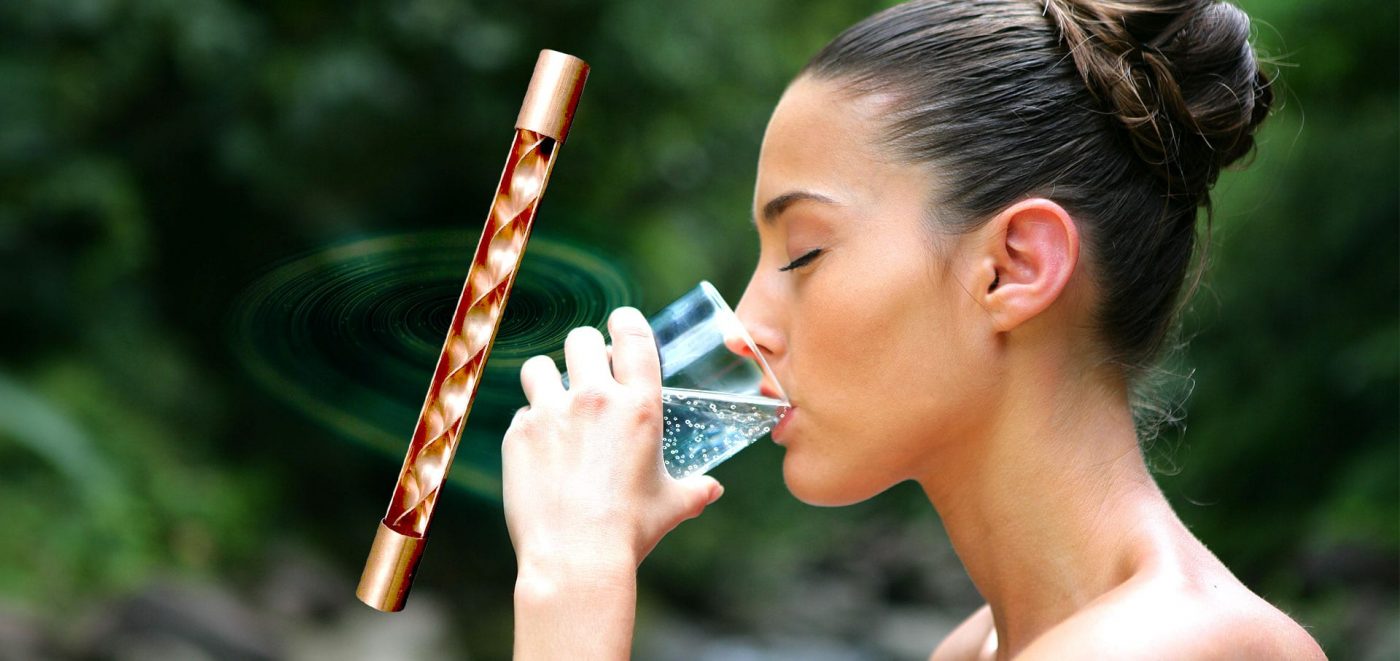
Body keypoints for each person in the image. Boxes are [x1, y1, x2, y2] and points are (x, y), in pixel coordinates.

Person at [500, 0, 1327, 658]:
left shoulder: (1180, 648)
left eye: (804, 253)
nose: (749, 325)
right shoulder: (982, 644)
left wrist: (571, 582)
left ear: (1013, 267)